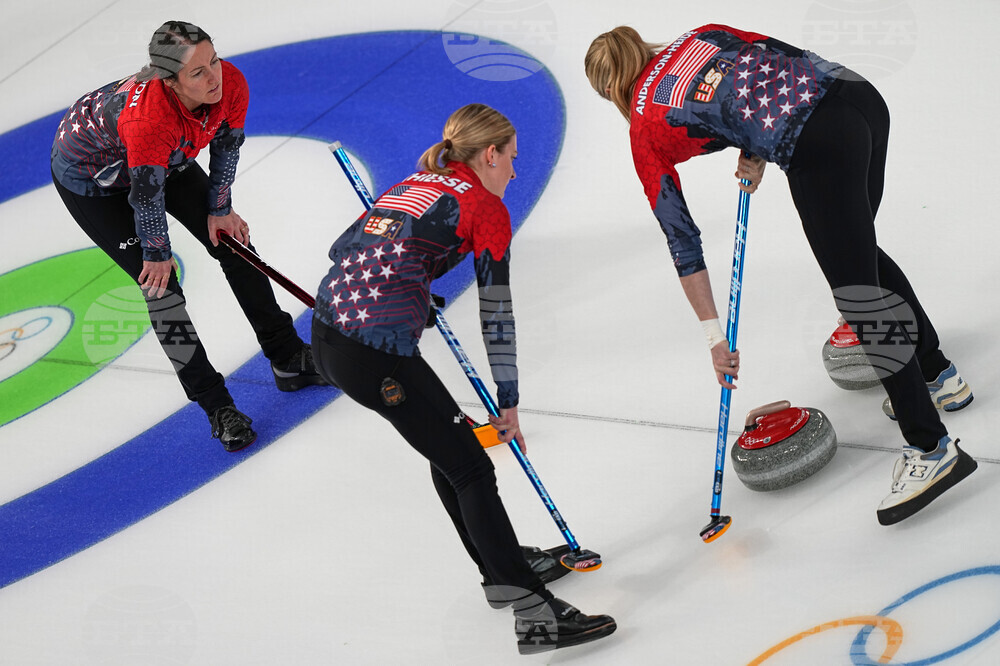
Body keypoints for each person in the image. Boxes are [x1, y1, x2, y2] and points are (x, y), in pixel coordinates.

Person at [584, 25, 976, 525]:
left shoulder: (643, 126)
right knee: (860, 254)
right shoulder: (699, 35)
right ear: (641, 47)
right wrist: (757, 145)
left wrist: (712, 334)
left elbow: (681, 238)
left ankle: (930, 447)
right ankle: (936, 372)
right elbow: (779, 58)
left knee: (857, 293)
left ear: (610, 90)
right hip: (859, 97)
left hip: (820, 142)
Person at [311, 104, 616, 654]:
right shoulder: (483, 208)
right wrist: (510, 401)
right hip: (374, 353)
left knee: (450, 454)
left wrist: (409, 285)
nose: (515, 174)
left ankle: (500, 574)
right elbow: (496, 314)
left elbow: (345, 251)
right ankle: (535, 615)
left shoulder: (418, 182)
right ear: (490, 154)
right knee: (472, 467)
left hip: (332, 333)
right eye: (512, 160)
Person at [51, 20, 327, 453]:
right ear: (169, 80)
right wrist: (156, 254)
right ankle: (217, 407)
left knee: (234, 245)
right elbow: (146, 197)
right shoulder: (148, 118)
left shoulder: (229, 83)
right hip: (96, 182)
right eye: (198, 72)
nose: (214, 76)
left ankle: (288, 356)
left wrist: (220, 209)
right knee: (162, 287)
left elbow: (227, 146)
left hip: (163, 157)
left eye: (213, 61)